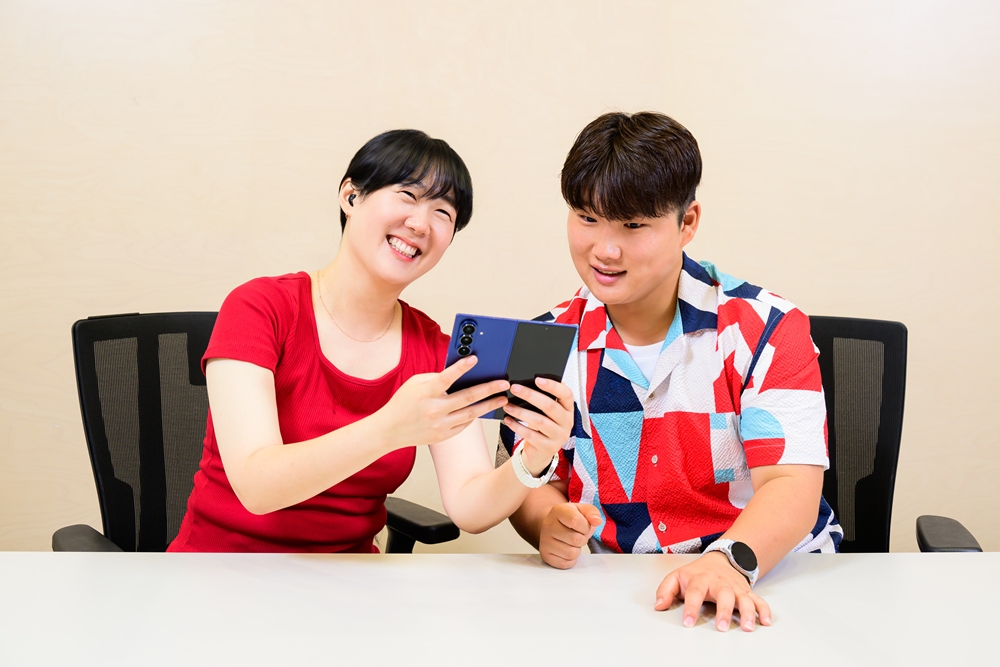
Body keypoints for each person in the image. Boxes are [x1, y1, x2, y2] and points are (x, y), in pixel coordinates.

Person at [499, 112, 843, 631]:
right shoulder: (543, 342)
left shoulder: (767, 327)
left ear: (687, 223)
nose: (604, 249)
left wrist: (728, 562)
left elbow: (791, 483)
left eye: (633, 225)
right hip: (620, 597)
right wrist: (547, 521)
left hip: (767, 582)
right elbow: (529, 479)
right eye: (587, 218)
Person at [169, 129, 574, 552]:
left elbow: (469, 507)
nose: (420, 224)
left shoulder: (437, 352)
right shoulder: (259, 307)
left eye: (443, 213)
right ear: (351, 196)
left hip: (351, 580)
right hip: (218, 571)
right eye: (407, 195)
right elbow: (256, 487)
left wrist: (534, 458)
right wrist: (390, 427)